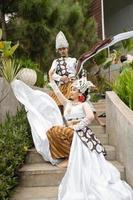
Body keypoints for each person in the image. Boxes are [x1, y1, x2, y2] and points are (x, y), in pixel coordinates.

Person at [11, 74, 133, 200]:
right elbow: (57, 93)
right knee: (52, 131)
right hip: (70, 130)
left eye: (74, 89)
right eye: (72, 89)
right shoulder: (67, 103)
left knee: (57, 130)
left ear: (80, 93)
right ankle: (67, 155)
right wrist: (52, 80)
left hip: (80, 132)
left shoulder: (83, 104)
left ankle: (70, 158)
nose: (71, 91)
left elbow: (90, 117)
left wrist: (76, 126)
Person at [49, 31, 77, 108]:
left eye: (64, 48)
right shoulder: (55, 61)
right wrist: (61, 78)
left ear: (67, 49)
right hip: (62, 87)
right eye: (60, 49)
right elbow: (51, 74)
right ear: (58, 51)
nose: (62, 51)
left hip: (74, 86)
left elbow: (79, 71)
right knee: (58, 104)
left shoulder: (74, 60)